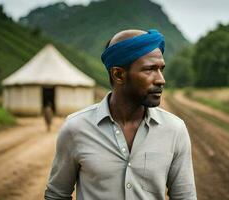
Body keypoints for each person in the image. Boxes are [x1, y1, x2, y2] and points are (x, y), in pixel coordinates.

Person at [44, 29, 197, 200]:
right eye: (149, 70)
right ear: (118, 74)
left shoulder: (175, 130)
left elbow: (185, 197)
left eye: (161, 69)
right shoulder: (76, 128)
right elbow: (56, 195)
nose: (161, 79)